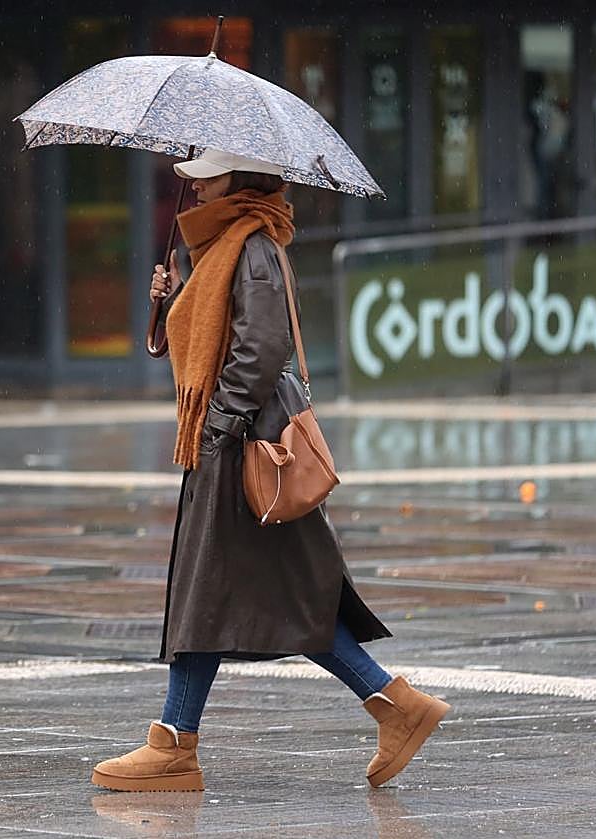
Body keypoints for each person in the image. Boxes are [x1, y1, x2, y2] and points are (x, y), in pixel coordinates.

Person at [90, 148, 450, 793]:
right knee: (231, 596)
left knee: (240, 596)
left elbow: (261, 351)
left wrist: (219, 430)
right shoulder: (219, 249)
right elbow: (218, 343)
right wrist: (171, 302)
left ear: (239, 177)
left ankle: (180, 745)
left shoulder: (249, 245)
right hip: (229, 446)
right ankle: (386, 706)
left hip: (242, 450)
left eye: (206, 175)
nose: (194, 187)